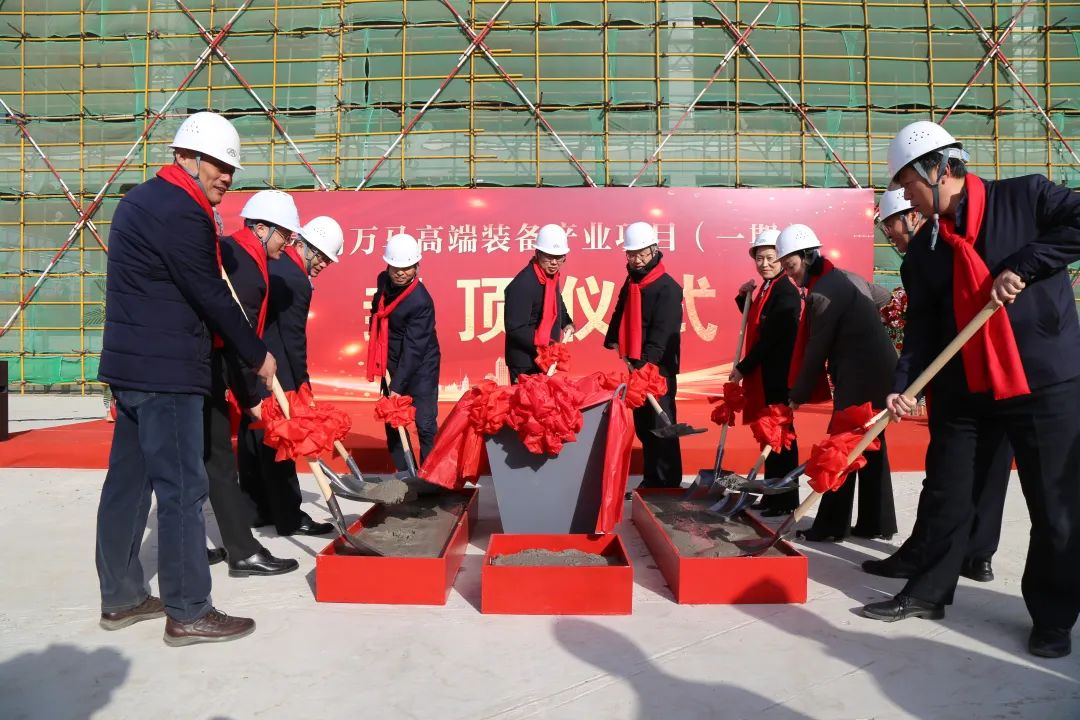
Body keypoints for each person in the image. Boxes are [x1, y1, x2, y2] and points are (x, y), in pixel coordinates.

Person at [861, 121, 1080, 660]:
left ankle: (1052, 617)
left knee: (1054, 505)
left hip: (1041, 380)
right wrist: (903, 386)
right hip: (966, 385)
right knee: (947, 490)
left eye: (909, 184)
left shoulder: (1026, 198)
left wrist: (1024, 265)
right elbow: (922, 328)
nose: (907, 198)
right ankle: (928, 591)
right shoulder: (926, 249)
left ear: (940, 169)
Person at [96, 111, 276, 646]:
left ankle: (122, 597)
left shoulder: (140, 200)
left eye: (231, 168)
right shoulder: (182, 210)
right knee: (182, 489)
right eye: (218, 164)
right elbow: (209, 293)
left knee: (128, 486)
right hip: (168, 371)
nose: (226, 176)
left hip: (131, 368)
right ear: (185, 157)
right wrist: (255, 354)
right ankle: (189, 609)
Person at [864, 185, 1014, 584]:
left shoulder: (927, 251)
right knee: (982, 467)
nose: (889, 235)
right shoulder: (961, 239)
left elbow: (922, 328)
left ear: (912, 215)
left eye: (891, 225)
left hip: (971, 375)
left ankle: (934, 554)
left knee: (954, 472)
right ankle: (972, 555)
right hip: (992, 371)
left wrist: (906, 383)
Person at [777, 223, 898, 542]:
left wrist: (798, 393)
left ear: (807, 256)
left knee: (840, 444)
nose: (790, 274)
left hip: (861, 376)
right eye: (785, 268)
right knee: (870, 442)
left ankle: (831, 527)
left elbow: (816, 351)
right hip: (884, 370)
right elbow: (883, 295)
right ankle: (875, 522)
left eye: (791, 266)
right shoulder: (845, 277)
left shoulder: (822, 294)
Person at [204, 190, 301, 577]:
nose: (287, 243)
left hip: (203, 368)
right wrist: (252, 398)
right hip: (203, 370)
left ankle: (191, 543)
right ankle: (242, 552)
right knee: (216, 462)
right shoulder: (243, 268)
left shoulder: (241, 255)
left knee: (196, 462)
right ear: (261, 229)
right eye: (284, 235)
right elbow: (237, 339)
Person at [240, 216, 344, 537]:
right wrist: (302, 385)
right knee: (281, 441)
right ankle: (289, 517)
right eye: (322, 256)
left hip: (251, 362)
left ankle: (255, 509)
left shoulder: (276, 264)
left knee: (253, 437)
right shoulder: (295, 279)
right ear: (304, 245)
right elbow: (294, 338)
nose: (324, 264)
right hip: (275, 370)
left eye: (328, 260)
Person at [604, 221, 684, 488]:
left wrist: (645, 367)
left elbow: (663, 332)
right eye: (631, 254)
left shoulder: (668, 288)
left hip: (657, 368)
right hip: (636, 364)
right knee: (644, 425)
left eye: (641, 254)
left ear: (654, 250)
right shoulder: (632, 281)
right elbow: (620, 309)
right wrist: (613, 338)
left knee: (662, 424)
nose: (636, 260)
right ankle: (652, 479)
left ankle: (668, 482)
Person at [729, 229, 802, 516]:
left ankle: (785, 499)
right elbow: (756, 318)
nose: (764, 264)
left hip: (779, 375)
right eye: (760, 259)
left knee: (781, 436)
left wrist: (742, 368)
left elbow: (769, 339)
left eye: (770, 258)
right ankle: (772, 495)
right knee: (768, 434)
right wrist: (742, 297)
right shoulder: (768, 287)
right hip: (766, 375)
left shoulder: (786, 291)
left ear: (781, 258)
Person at [367, 233, 441, 468]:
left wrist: (397, 386)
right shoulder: (383, 281)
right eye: (395, 267)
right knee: (392, 419)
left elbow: (414, 349)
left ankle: (430, 476)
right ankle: (406, 473)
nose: (400, 273)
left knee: (425, 424)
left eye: (406, 268)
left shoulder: (421, 301)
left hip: (421, 366)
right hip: (390, 358)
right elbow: (376, 310)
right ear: (387, 266)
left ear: (417, 267)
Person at [504, 224, 574, 383]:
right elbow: (515, 328)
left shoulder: (550, 277)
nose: (554, 262)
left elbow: (557, 300)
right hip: (525, 363)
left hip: (545, 358)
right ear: (537, 253)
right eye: (549, 257)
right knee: (528, 400)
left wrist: (566, 322)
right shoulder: (523, 284)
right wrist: (546, 347)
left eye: (559, 257)